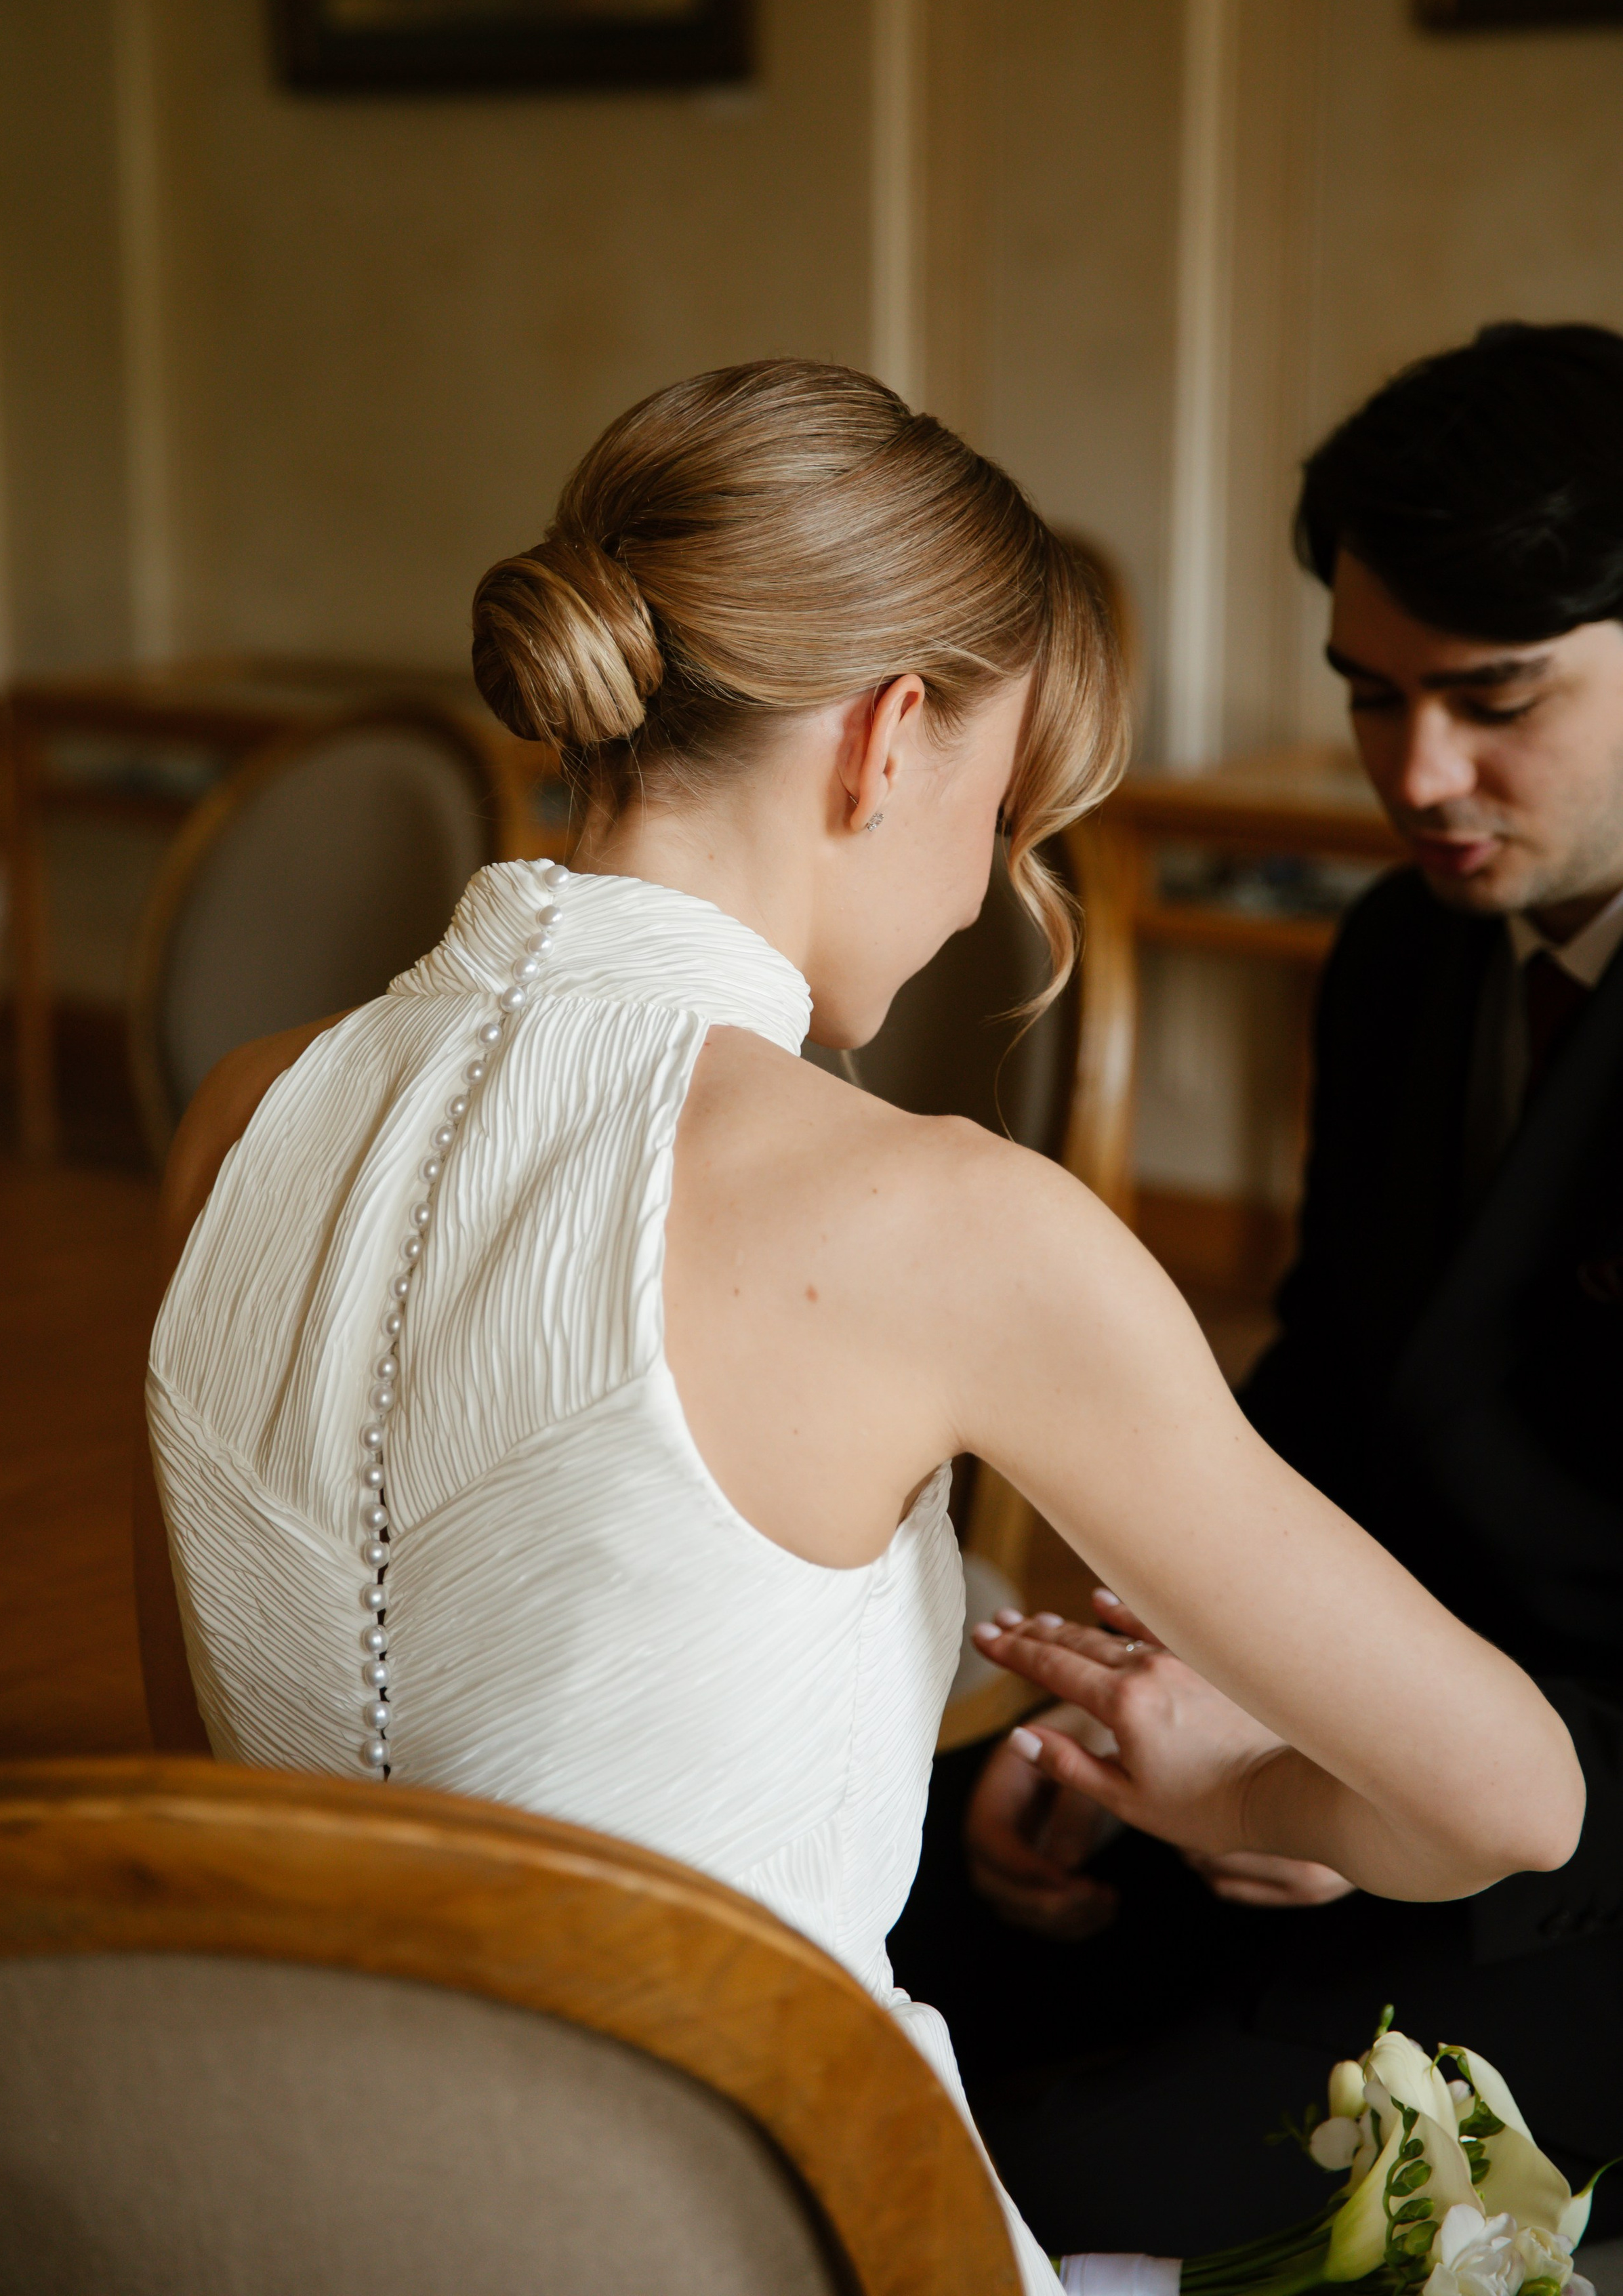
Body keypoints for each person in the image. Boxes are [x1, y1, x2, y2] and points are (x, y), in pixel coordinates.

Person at [138, 358, 1582, 2295]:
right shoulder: (943, 1219)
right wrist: (1248, 1791)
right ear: (887, 740)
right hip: (741, 2226)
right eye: (1002, 810)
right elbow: (1513, 1795)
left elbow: (198, 1782)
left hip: (260, 2200)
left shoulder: (233, 1118)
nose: (994, 881)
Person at [899, 321, 1623, 2257]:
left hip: (1588, 1864)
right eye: (1372, 701)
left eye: (1495, 699)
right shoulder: (1407, 950)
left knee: (1027, 2180)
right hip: (1351, 1742)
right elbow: (1330, 1392)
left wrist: (1343, 1795)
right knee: (870, 1955)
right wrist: (1128, 1709)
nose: (1419, 774)